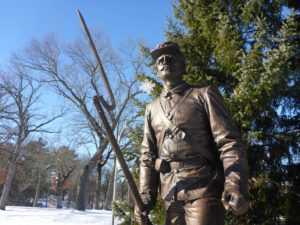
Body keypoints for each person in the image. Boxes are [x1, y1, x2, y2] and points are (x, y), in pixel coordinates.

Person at [134, 42, 249, 225]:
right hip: (171, 194)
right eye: (160, 60)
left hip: (204, 188)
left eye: (170, 57)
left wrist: (234, 183)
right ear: (157, 70)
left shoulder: (203, 95)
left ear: (183, 65)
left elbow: (229, 143)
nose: (164, 61)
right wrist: (145, 196)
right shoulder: (151, 109)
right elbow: (147, 156)